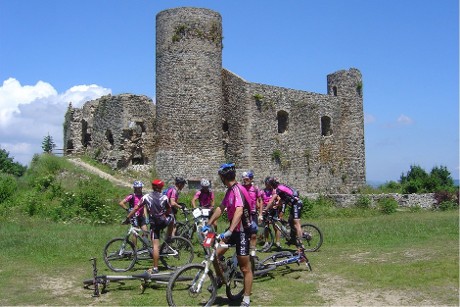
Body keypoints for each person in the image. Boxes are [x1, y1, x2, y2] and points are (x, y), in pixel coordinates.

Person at [203, 163, 253, 307]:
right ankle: (221, 278)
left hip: (242, 232)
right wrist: (209, 223)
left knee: (245, 268)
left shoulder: (238, 190)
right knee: (215, 255)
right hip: (233, 230)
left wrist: (230, 230)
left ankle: (246, 299)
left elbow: (239, 210)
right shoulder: (230, 191)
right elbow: (221, 207)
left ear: (223, 177)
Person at [140, 179, 174, 274]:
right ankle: (169, 237)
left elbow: (136, 207)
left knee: (155, 246)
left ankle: (155, 268)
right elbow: (169, 209)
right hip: (163, 222)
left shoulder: (146, 196)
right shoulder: (164, 197)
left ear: (152, 187)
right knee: (172, 218)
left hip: (154, 224)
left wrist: (128, 217)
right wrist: (164, 214)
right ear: (161, 188)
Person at [264, 177, 304, 251]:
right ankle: (293, 239)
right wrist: (275, 206)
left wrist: (265, 209)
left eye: (270, 185)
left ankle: (301, 244)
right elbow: (281, 201)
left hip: (296, 204)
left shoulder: (279, 188)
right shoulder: (280, 188)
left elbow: (271, 200)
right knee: (290, 222)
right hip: (293, 205)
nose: (270, 186)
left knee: (296, 224)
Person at [120, 181, 147, 245]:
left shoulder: (143, 196)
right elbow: (121, 203)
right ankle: (134, 249)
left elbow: (144, 207)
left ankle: (145, 247)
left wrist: (146, 216)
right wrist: (128, 209)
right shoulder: (131, 196)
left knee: (145, 232)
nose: (140, 189)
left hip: (141, 217)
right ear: (135, 188)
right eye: (138, 188)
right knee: (135, 233)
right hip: (134, 217)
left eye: (141, 187)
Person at [258, 177, 280, 250]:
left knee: (275, 226)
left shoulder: (274, 191)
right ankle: (266, 242)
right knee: (266, 227)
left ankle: (277, 242)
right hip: (265, 210)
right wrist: (260, 208)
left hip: (273, 210)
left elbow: (279, 199)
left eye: (269, 184)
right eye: (267, 184)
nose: (268, 185)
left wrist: (276, 204)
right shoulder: (262, 191)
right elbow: (259, 200)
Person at [241, 170, 259, 256]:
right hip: (243, 214)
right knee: (245, 234)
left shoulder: (255, 188)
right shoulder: (241, 188)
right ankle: (246, 250)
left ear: (251, 179)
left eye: (247, 179)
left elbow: (260, 200)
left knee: (254, 234)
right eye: (244, 179)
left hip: (253, 214)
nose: (245, 180)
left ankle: (253, 251)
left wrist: (261, 214)